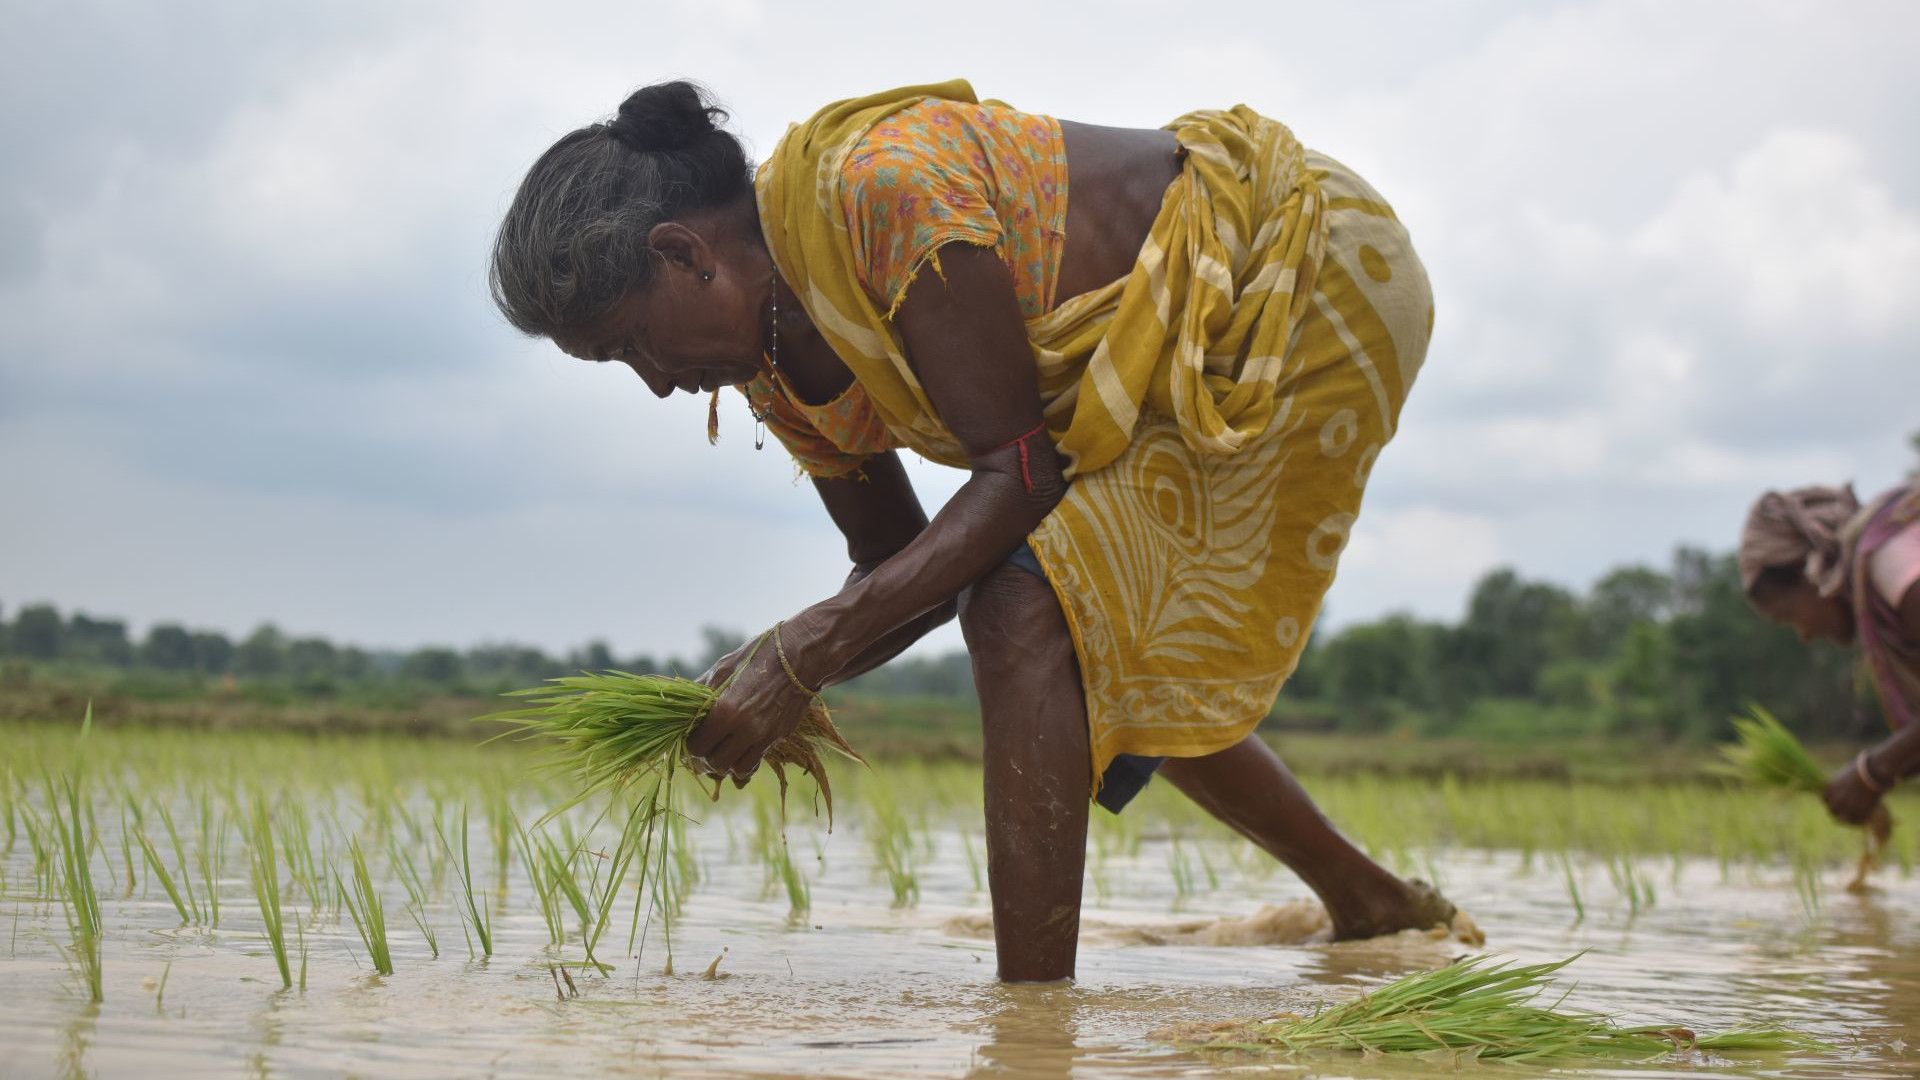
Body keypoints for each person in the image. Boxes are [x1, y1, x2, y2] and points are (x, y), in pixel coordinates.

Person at [491, 79, 1467, 981]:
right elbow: (893, 567)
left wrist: (806, 653)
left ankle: (1031, 1025)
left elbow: (1017, 478)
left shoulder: (883, 193)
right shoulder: (777, 359)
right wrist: (774, 661)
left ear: (682, 254)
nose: (656, 383)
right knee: (1085, 624)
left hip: (1291, 268)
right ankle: (1373, 905)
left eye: (630, 345)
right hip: (1148, 354)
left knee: (1027, 601)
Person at [1739, 481, 1920, 828]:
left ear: (1808, 570)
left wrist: (1873, 772)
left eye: (1789, 616)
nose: (1804, 635)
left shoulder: (1893, 560)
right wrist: (1875, 777)